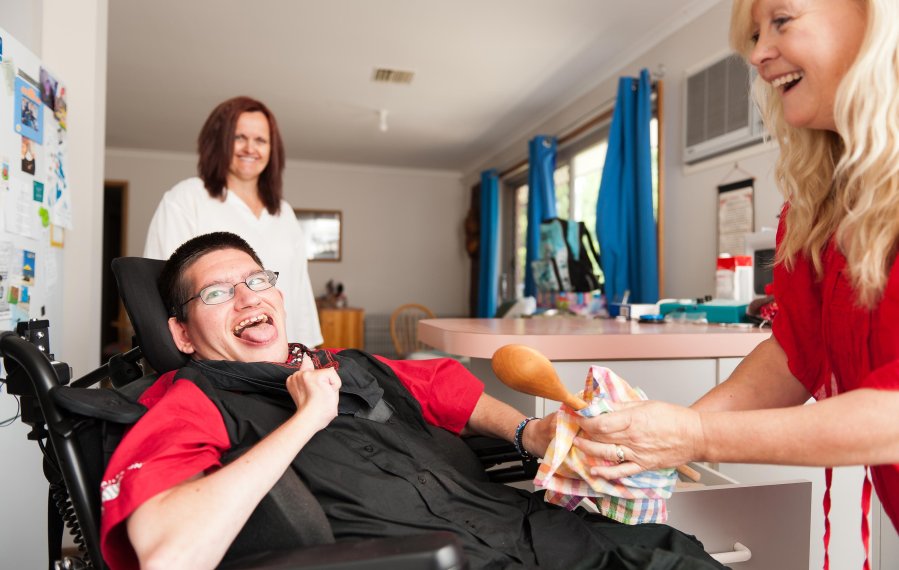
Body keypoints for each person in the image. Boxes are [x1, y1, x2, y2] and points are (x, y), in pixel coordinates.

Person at [99, 232, 723, 570]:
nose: (247, 298)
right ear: (181, 334)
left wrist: (530, 435)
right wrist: (307, 419)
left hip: (546, 537)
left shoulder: (345, 365)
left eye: (257, 281)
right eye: (217, 293)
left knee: (681, 556)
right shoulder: (190, 402)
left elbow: (444, 387)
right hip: (438, 561)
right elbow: (168, 552)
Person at [573, 0, 899, 545]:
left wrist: (696, 434)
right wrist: (660, 435)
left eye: (782, 21)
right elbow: (796, 351)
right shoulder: (820, 207)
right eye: (753, 34)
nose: (759, 54)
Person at [144, 96, 322, 347]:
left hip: (284, 357)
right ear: (219, 142)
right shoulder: (187, 198)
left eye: (260, 140)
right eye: (239, 138)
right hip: (219, 361)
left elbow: (300, 292)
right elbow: (162, 293)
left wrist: (307, 353)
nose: (250, 148)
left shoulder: (283, 212)